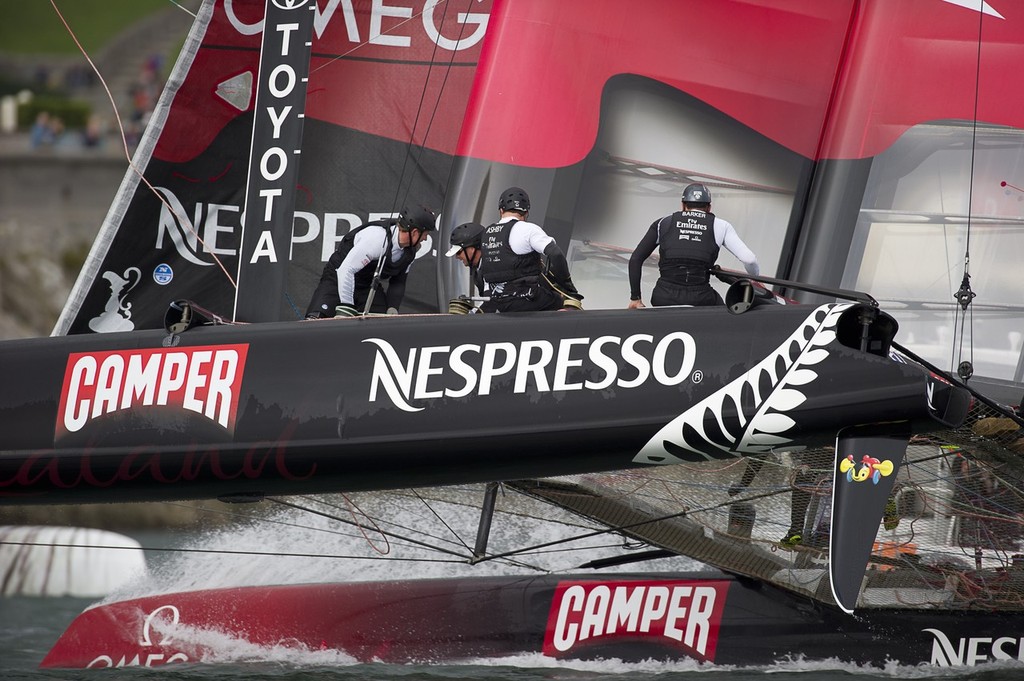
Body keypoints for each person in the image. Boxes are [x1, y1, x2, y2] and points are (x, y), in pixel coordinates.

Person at [628, 182, 760, 308]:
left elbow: (635, 259)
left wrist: (635, 298)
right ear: (709, 207)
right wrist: (755, 281)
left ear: (683, 205)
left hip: (663, 296)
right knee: (725, 314)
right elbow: (749, 259)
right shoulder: (721, 225)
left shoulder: (662, 223)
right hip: (700, 298)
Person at [304, 205, 436, 318]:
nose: (425, 238)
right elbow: (346, 270)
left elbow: (398, 281)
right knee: (317, 320)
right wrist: (346, 306)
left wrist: (392, 308)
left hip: (368, 284)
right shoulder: (377, 238)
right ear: (414, 232)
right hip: (338, 279)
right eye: (425, 234)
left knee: (382, 327)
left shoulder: (411, 250)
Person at [477, 187, 583, 313]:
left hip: (499, 304)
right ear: (526, 212)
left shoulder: (486, 234)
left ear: (501, 210)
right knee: (562, 301)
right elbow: (555, 254)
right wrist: (568, 286)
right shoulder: (528, 229)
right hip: (528, 300)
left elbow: (483, 271)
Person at [445, 222, 486, 313]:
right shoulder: (477, 267)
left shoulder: (490, 267)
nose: (456, 257)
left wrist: (470, 316)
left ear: (472, 249)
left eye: (459, 252)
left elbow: (492, 302)